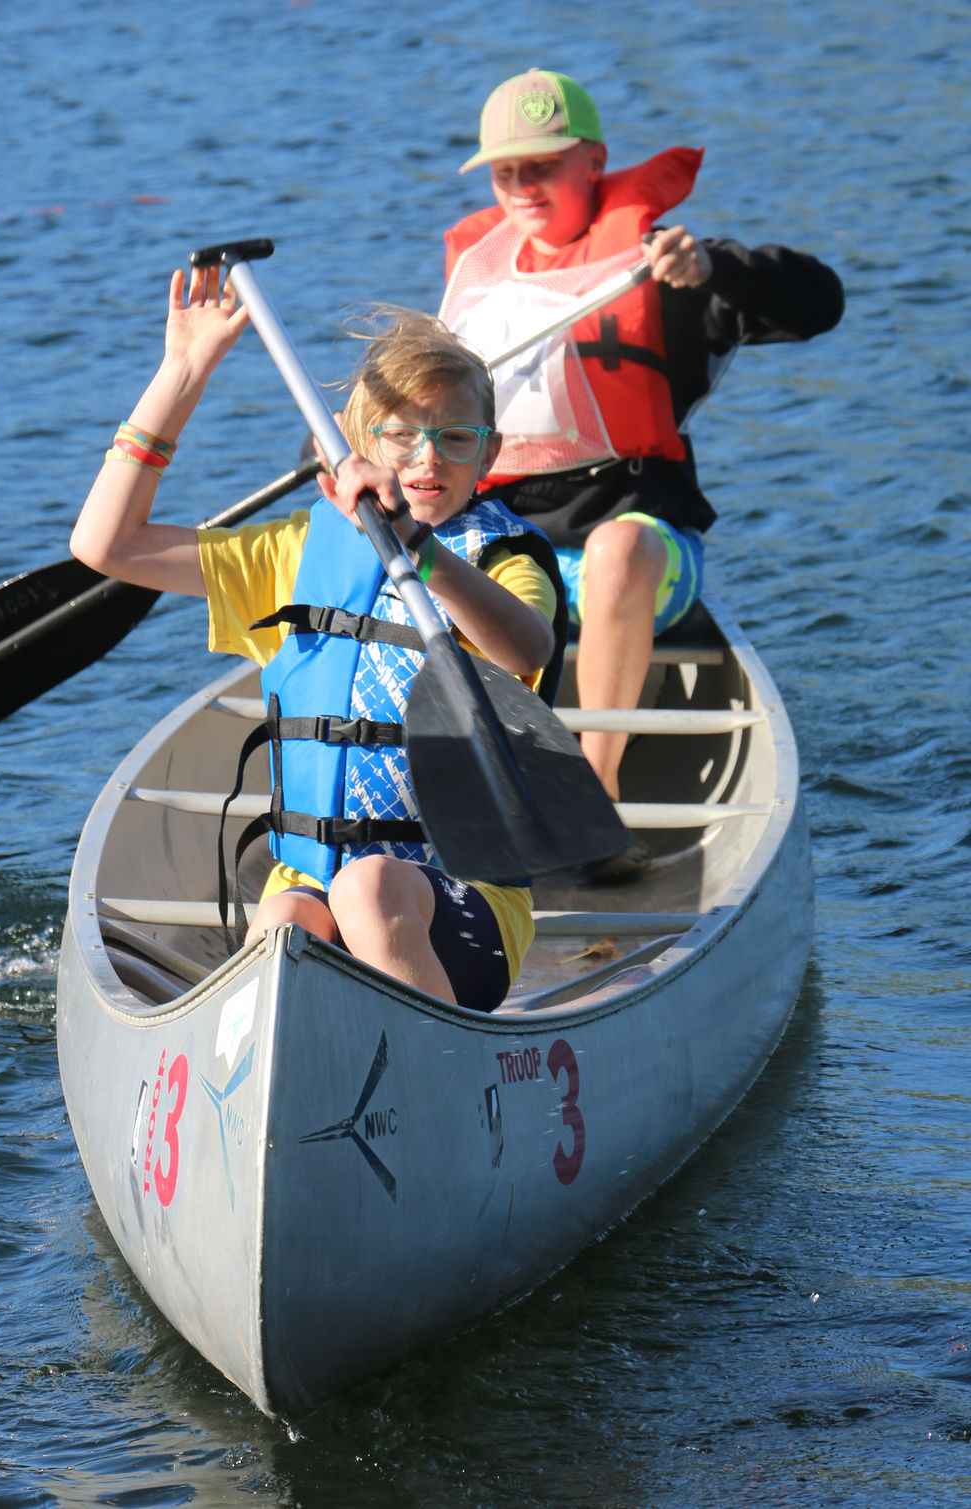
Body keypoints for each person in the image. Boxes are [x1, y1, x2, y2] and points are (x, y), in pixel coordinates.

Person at [70, 263, 563, 1012]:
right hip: (311, 883)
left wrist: (418, 552)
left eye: (456, 439)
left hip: (466, 902)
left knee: (368, 887)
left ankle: (434, 1066)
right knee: (286, 922)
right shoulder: (297, 555)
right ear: (359, 449)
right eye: (402, 437)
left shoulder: (503, 560)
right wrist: (184, 370)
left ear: (489, 455)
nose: (428, 458)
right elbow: (106, 544)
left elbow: (526, 649)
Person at [440, 68, 845, 850]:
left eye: (543, 165)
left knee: (617, 549)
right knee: (413, 556)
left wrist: (717, 271)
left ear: (594, 161)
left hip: (642, 555)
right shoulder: (478, 280)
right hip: (514, 555)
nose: (522, 187)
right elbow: (411, 407)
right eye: (505, 171)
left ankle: (594, 792)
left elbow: (821, 301)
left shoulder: (664, 266)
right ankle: (454, 787)